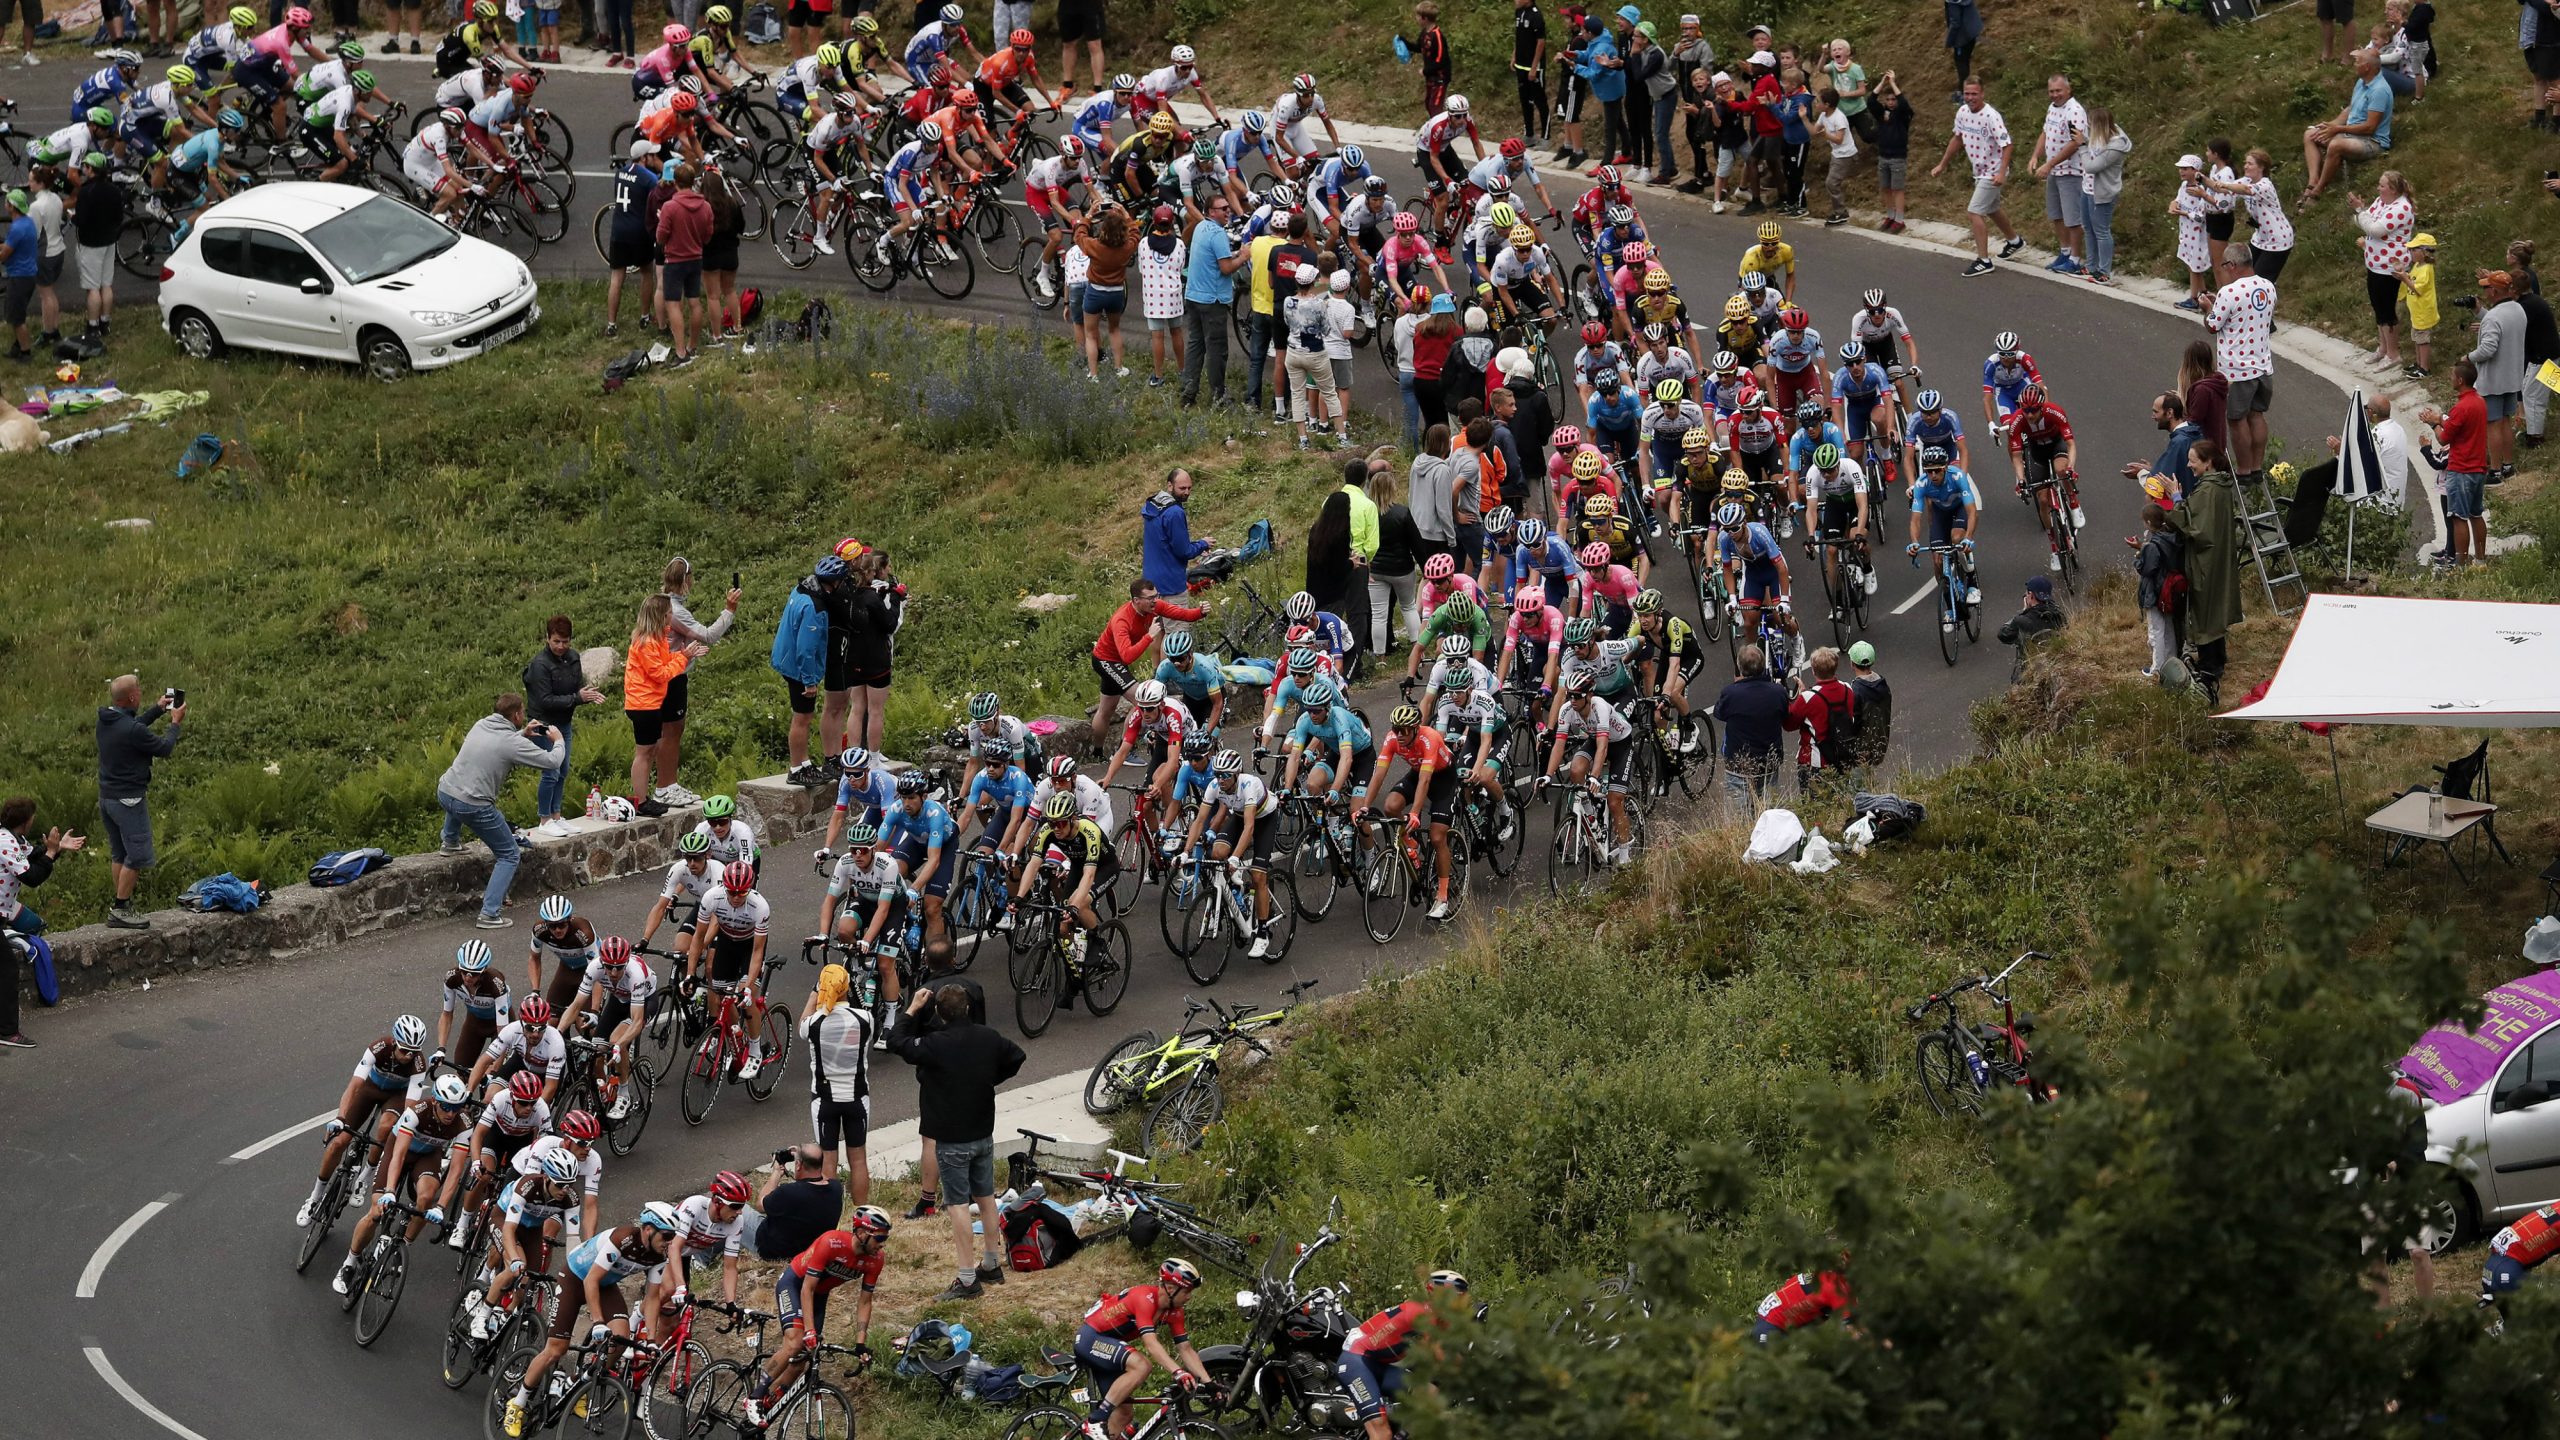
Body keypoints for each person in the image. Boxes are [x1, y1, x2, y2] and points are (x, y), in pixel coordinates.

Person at [889, 982, 1025, 1302]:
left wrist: (911, 1009)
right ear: (967, 1009)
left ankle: (966, 1279)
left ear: (938, 1012)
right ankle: (991, 1263)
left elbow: (896, 1041)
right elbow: (1016, 1056)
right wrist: (989, 1077)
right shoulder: (988, 1038)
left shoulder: (936, 1044)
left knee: (958, 1204)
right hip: (982, 1133)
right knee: (986, 1196)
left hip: (951, 1139)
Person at [435, 692, 561, 929]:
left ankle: (450, 841)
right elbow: (552, 762)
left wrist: (522, 734)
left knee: (459, 790)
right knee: (509, 854)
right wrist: (559, 740)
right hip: (473, 805)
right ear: (516, 715)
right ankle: (489, 913)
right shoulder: (512, 742)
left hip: (445, 791)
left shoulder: (481, 724)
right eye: (522, 712)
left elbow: (498, 744)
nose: (524, 715)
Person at [1077, 1259, 1216, 1440]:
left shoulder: (1175, 1312)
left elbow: (1185, 1349)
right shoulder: (1144, 1298)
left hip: (1110, 1346)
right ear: (1171, 1289)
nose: (1189, 1297)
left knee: (1124, 1414)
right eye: (1187, 1291)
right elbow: (1150, 1343)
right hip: (1091, 1338)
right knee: (1142, 1365)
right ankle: (1095, 1421)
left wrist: (1209, 1383)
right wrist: (1178, 1372)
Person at [94, 675, 187, 929]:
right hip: (129, 801)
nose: (141, 694)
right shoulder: (132, 729)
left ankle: (121, 903)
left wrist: (157, 710)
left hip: (107, 799)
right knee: (137, 855)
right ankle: (121, 908)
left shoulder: (106, 721)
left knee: (119, 853)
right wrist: (175, 724)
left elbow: (133, 727)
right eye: (139, 691)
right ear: (132, 697)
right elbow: (164, 748)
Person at [1931, 77, 2023, 279]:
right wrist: (1942, 164)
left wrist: (2001, 172)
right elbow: (1957, 138)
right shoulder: (1962, 112)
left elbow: (2007, 144)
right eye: (1967, 94)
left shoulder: (1991, 116)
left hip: (1992, 171)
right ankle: (2015, 241)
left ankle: (1984, 260)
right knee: (1991, 208)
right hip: (1979, 170)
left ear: (1982, 94)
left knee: (1974, 212)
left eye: (1974, 94)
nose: (1970, 98)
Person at [519, 616, 601, 837]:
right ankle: (544, 819)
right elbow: (545, 699)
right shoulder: (540, 665)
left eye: (565, 641)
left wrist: (587, 693)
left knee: (563, 770)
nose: (561, 646)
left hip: (564, 722)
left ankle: (556, 815)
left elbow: (576, 686)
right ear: (547, 638)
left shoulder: (573, 658)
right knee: (551, 770)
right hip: (543, 724)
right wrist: (577, 698)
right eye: (556, 641)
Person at [2205, 252, 2277, 479]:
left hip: (2237, 369)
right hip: (2263, 364)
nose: (2224, 270)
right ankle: (2256, 467)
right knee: (2257, 415)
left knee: (2237, 420)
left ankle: (2244, 470)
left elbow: (2213, 326)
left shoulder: (2229, 292)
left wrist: (2208, 307)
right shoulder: (2268, 286)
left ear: (2233, 264)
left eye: (2225, 265)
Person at [803, 964, 873, 1196]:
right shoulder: (865, 1019)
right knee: (859, 1160)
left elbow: (803, 1022)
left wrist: (815, 993)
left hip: (824, 1101)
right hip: (857, 1097)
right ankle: (862, 1214)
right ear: (846, 988)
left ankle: (829, 1215)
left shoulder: (814, 1022)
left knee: (828, 1162)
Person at [2418, 360, 2491, 566]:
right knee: (2476, 515)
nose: (2450, 379)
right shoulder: (2479, 402)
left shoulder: (2461, 407)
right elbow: (2455, 424)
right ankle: (2481, 560)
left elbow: (2443, 439)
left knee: (2458, 518)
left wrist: (2433, 423)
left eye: (2452, 376)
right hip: (2478, 468)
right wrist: (2440, 417)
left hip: (2460, 470)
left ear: (2460, 380)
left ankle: (2460, 563)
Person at [2299, 48, 2392, 206]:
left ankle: (2318, 191)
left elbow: (2370, 127)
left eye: (2357, 61)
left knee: (2336, 145)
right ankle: (2313, 181)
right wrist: (2332, 125)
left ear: (2367, 67)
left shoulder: (2379, 91)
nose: (2354, 64)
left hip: (2371, 141)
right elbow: (2351, 108)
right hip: (2351, 135)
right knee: (2310, 134)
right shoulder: (2362, 82)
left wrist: (2338, 130)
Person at [1180, 194, 1243, 406]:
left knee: (1195, 345)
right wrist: (1244, 257)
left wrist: (1233, 256)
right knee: (1217, 349)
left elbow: (1215, 260)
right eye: (1223, 208)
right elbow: (1225, 269)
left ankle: (1188, 392)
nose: (1228, 211)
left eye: (1228, 207)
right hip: (1212, 300)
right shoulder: (1217, 234)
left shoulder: (1201, 227)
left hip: (1193, 295)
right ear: (1211, 212)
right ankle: (1219, 395)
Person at [2348, 172, 2415, 370]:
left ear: (2393, 190)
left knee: (2386, 310)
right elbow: (2364, 223)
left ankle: (2394, 354)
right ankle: (2383, 348)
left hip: (2389, 267)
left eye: (2382, 185)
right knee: (2378, 308)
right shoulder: (2381, 201)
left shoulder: (2402, 207)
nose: (2378, 188)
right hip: (2374, 263)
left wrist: (2361, 211)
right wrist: (2362, 213)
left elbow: (2376, 230)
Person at [2467, 270, 2528, 479]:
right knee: (2505, 421)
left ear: (2494, 290)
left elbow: (2488, 349)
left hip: (2493, 380)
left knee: (2492, 424)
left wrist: (2469, 357)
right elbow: (2500, 324)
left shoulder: (2494, 316)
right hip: (2513, 377)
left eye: (2485, 287)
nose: (2483, 291)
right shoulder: (2518, 309)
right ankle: (2508, 465)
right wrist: (2481, 313)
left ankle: (2494, 470)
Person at [1713, 645, 1789, 809]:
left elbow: (1719, 713)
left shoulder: (1731, 693)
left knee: (1738, 819)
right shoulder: (1778, 692)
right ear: (1763, 667)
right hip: (1769, 763)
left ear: (1740, 668)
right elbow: (1786, 715)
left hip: (1738, 765)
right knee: (1769, 813)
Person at [2028, 74, 2088, 274]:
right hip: (2054, 170)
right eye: (2052, 91)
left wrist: (2049, 163)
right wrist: (2036, 156)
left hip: (2071, 171)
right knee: (2056, 214)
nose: (2055, 95)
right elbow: (2045, 132)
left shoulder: (2075, 111)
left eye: (2058, 91)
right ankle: (2064, 251)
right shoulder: (2053, 109)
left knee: (2072, 218)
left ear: (2068, 90)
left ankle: (2075, 259)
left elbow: (2075, 143)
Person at [653, 161, 711, 366]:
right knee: (694, 301)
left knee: (673, 304)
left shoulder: (670, 207)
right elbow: (707, 235)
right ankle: (692, 346)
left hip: (674, 261)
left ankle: (680, 352)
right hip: (696, 259)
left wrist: (662, 221)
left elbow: (660, 237)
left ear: (676, 183)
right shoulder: (705, 206)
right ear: (693, 182)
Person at [753, 1141, 851, 1263]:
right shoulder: (836, 1188)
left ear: (798, 1165)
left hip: (774, 1252)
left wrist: (777, 1172)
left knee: (740, 1212)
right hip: (811, 1252)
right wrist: (802, 1154)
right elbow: (823, 1177)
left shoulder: (788, 1193)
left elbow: (760, 1205)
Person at [1783, 646, 1856, 797]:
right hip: (1842, 757)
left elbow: (1789, 724)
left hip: (1814, 761)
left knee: (1814, 808)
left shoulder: (1808, 698)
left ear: (1814, 671)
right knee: (1838, 803)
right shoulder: (1847, 689)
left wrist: (1797, 698)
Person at [2077, 106, 2129, 285]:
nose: (2088, 126)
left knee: (2101, 231)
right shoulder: (2096, 137)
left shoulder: (2116, 144)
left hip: (2103, 193)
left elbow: (2092, 166)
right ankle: (2091, 265)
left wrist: (2082, 146)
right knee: (2088, 228)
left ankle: (2104, 271)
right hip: (2087, 189)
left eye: (2091, 124)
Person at [2135, 503, 2184, 679]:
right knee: (2169, 628)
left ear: (2148, 522)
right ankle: (2173, 662)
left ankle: (2157, 668)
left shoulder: (2153, 545)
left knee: (2156, 630)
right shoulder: (2170, 538)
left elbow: (2147, 569)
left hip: (2155, 592)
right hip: (2169, 591)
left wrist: (2139, 556)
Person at [1997, 574, 2066, 679]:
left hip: (2029, 670)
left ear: (2031, 595)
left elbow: (2003, 635)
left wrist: (2024, 611)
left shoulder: (2021, 620)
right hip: (2056, 665)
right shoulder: (2059, 615)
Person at [2392, 230, 2439, 380]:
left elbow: (2418, 288)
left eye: (2414, 249)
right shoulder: (2417, 266)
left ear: (2424, 252)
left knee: (2422, 339)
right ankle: (2418, 363)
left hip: (2424, 311)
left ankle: (2424, 368)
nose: (2410, 252)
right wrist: (2401, 274)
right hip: (2416, 312)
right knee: (2417, 338)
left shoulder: (2426, 269)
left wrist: (2405, 278)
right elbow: (2410, 283)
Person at [1841, 641, 1891, 774]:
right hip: (1879, 741)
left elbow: (1854, 723)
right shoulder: (1883, 684)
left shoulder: (1856, 690)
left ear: (1852, 664)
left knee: (1858, 786)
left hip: (1861, 749)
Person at [0, 188, 34, 360]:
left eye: (6, 202)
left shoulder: (16, 229)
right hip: (28, 275)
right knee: (16, 313)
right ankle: (18, 345)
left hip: (19, 277)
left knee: (17, 318)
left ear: (12, 207)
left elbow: (4, 254)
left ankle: (25, 352)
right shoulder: (27, 222)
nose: (4, 204)